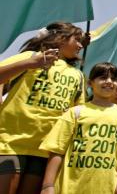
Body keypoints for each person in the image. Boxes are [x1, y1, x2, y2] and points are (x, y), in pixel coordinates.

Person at [0, 22, 86, 194]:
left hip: (46, 150)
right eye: (76, 39)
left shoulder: (77, 75)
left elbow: (79, 112)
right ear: (61, 38)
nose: (80, 45)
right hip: (10, 142)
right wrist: (30, 64)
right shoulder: (31, 56)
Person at [39, 62, 117, 194]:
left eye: (113, 79)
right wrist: (48, 185)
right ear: (90, 83)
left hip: (106, 187)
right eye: (102, 78)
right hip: (70, 187)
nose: (109, 81)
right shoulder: (75, 112)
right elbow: (57, 150)